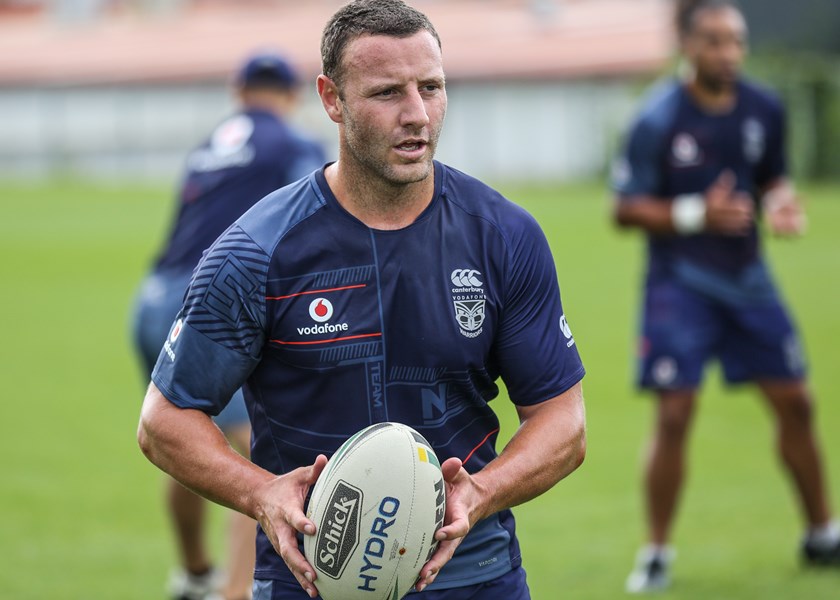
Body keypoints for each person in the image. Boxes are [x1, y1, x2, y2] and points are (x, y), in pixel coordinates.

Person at [136, 0, 587, 598]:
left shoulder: (504, 236)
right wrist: (260, 493)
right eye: (386, 93)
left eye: (431, 87)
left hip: (475, 576)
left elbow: (564, 422)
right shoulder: (255, 251)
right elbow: (165, 420)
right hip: (307, 582)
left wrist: (481, 492)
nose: (417, 114)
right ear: (331, 99)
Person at [611, 0, 840, 593]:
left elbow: (772, 177)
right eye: (714, 41)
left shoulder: (764, 106)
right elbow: (625, 208)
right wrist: (696, 213)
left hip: (748, 281)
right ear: (686, 43)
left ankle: (822, 535)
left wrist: (782, 202)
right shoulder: (657, 118)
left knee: (798, 403)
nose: (729, 52)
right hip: (679, 284)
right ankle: (657, 553)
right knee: (675, 413)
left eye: (736, 40)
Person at [131, 50, 326, 600]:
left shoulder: (210, 144)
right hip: (213, 308)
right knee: (250, 459)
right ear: (292, 95)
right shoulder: (292, 143)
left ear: (238, 91)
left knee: (183, 438)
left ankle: (194, 576)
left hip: (151, 301)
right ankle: (234, 593)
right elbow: (319, 210)